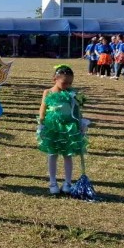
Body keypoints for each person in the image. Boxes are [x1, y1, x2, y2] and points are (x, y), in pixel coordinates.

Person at [37, 65, 89, 194]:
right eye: (64, 82)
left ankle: (67, 183)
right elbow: (43, 110)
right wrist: (41, 124)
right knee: (52, 154)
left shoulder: (72, 94)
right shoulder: (48, 92)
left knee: (68, 155)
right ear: (54, 79)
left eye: (70, 83)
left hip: (68, 128)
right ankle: (53, 182)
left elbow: (76, 110)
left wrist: (81, 122)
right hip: (52, 127)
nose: (67, 85)